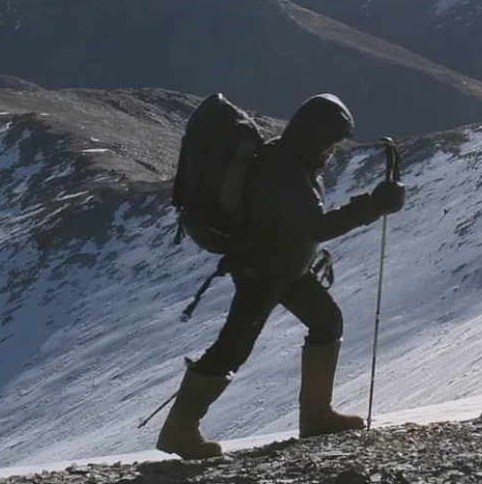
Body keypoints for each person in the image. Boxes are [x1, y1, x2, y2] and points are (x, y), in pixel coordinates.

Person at [157, 93, 406, 458]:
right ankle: (179, 431)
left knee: (326, 321)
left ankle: (316, 417)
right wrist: (375, 204)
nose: (332, 152)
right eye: (330, 144)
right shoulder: (283, 171)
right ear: (314, 137)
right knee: (234, 347)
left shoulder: (290, 161)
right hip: (263, 272)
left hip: (284, 268)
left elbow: (295, 225)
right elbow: (315, 226)